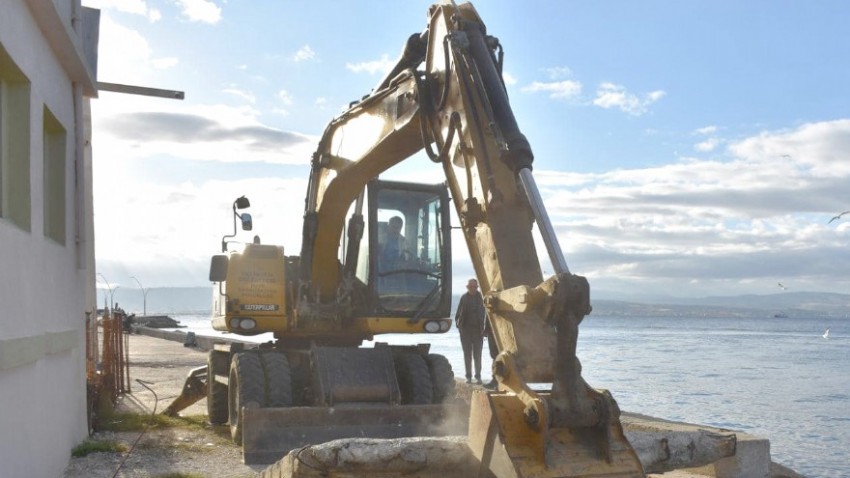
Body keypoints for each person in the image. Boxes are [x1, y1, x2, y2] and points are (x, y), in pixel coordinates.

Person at [455, 278, 486, 384]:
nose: (472, 288)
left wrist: (485, 329)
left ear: (477, 287)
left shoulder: (482, 298)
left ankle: (478, 377)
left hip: (478, 331)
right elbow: (458, 314)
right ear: (467, 287)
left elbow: (487, 315)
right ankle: (468, 377)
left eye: (474, 287)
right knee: (467, 354)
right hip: (466, 331)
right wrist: (459, 327)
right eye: (470, 286)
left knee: (477, 355)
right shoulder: (463, 298)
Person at [483, 316, 498, 389]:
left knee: (495, 355)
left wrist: (486, 330)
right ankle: (496, 380)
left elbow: (489, 315)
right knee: (495, 356)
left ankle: (496, 381)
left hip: (494, 329)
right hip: (493, 329)